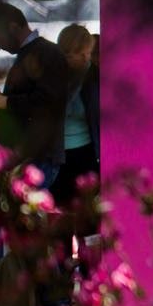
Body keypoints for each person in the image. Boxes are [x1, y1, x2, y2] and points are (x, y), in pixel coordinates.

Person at [0, 1, 70, 183]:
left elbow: (49, 102)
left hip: (40, 157)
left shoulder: (47, 53)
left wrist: (5, 102)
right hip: (30, 156)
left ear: (13, 27)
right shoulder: (33, 53)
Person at [51, 24, 99, 204]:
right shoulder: (51, 76)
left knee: (86, 212)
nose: (86, 58)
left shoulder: (93, 77)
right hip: (58, 155)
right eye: (80, 54)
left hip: (86, 151)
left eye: (88, 53)